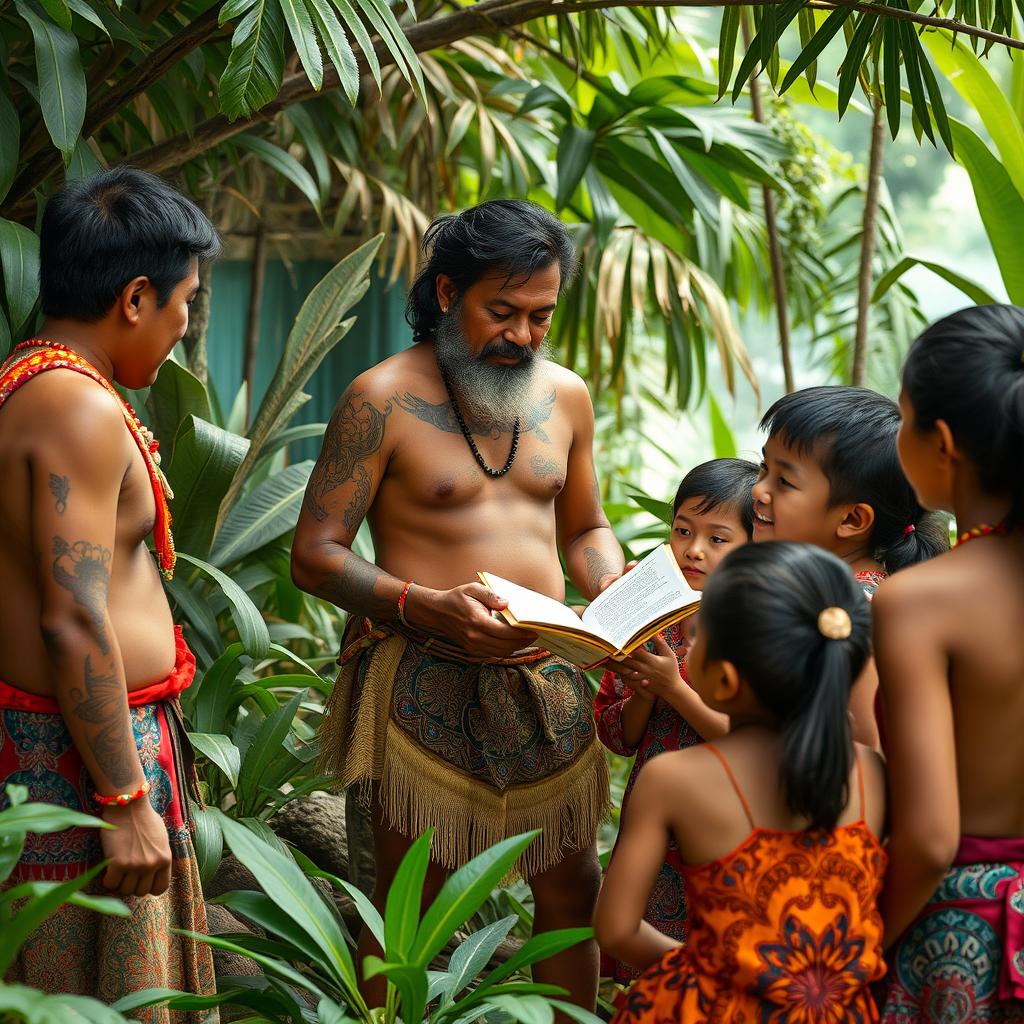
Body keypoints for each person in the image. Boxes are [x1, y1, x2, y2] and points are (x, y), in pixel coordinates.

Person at [291, 199, 624, 1008]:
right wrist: (423, 604)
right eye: (501, 311)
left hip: (547, 677)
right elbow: (315, 555)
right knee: (414, 905)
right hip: (421, 675)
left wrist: (613, 586)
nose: (523, 335)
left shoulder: (566, 397)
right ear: (446, 294)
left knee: (572, 888)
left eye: (541, 316)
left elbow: (586, 527)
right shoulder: (380, 399)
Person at [0, 168, 219, 1012]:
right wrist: (125, 799)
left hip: (85, 749)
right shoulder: (73, 408)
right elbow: (74, 617)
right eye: (184, 302)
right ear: (135, 298)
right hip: (78, 765)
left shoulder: (44, 382)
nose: (183, 324)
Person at [595, 541, 887, 1022]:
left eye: (696, 635)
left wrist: (720, 974)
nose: (686, 643)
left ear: (725, 680)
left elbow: (617, 929)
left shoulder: (672, 779)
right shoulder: (870, 772)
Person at [875, 305, 1024, 1022]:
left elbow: (931, 840)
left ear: (942, 442)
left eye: (901, 417)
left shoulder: (921, 602)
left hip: (961, 939)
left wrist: (860, 951)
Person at [594, 457, 755, 985]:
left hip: (730, 812)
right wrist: (644, 690)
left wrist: (673, 687)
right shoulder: (650, 599)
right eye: (683, 530)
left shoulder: (763, 619)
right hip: (654, 817)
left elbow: (754, 743)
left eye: (719, 538)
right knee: (646, 962)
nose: (694, 549)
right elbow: (619, 735)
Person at [754, 385, 949, 746]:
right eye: (764, 467)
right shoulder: (826, 592)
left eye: (783, 481)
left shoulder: (852, 614)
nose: (758, 491)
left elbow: (865, 749)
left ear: (853, 519)